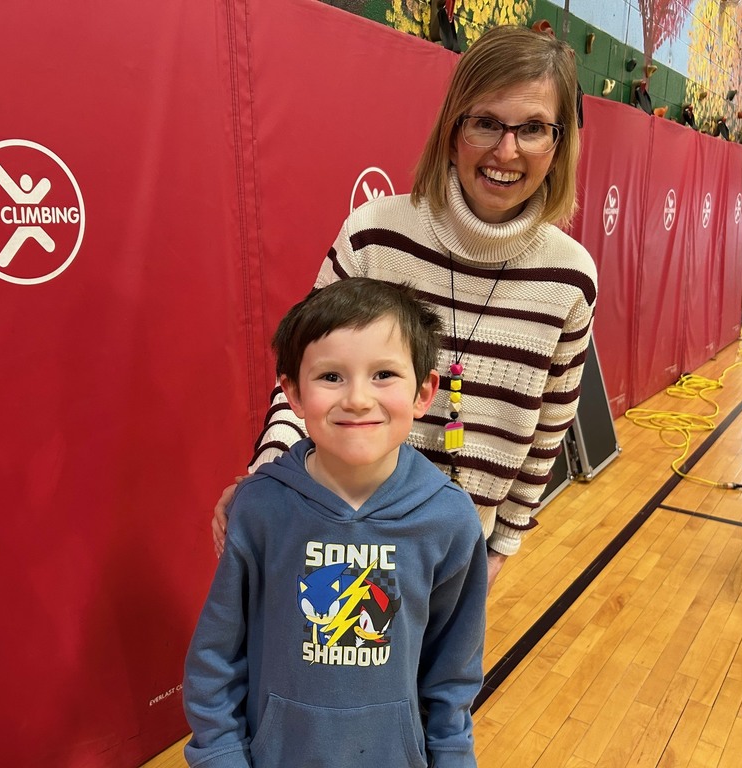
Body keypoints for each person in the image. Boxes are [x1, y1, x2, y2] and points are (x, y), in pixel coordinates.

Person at [213, 23, 597, 593]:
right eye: (486, 122)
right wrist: (265, 479)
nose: (506, 151)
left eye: (534, 129)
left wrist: (503, 546)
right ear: (452, 129)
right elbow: (305, 377)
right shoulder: (375, 235)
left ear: (558, 143)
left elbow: (550, 427)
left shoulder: (571, 278)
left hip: (454, 555)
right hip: (336, 529)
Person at [183, 278, 487, 768]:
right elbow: (215, 661)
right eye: (331, 377)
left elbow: (452, 673)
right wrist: (220, 756)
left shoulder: (450, 520)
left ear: (425, 392)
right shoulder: (260, 509)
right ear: (294, 393)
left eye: (384, 374)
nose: (358, 399)